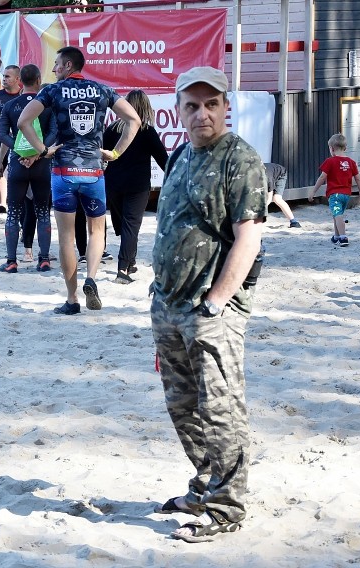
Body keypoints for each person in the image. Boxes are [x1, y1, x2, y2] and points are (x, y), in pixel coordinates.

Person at [150, 66, 267, 543]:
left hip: (211, 312)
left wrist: (218, 301)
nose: (202, 114)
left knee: (221, 410)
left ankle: (227, 507)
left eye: (211, 104)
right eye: (192, 105)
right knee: (183, 407)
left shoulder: (240, 160)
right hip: (169, 305)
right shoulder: (181, 154)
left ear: (226, 107)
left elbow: (249, 237)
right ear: (180, 110)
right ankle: (204, 484)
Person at [18, 46, 140, 313]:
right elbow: (134, 119)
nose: (53, 70)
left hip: (64, 173)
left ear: (69, 65)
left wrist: (42, 150)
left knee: (66, 239)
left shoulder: (52, 90)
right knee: (97, 232)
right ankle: (91, 278)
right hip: (94, 172)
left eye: (58, 64)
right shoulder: (102, 90)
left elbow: (24, 121)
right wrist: (115, 153)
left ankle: (72, 299)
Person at [103, 89, 168, 284]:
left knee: (123, 225)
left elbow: (102, 153)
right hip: (138, 186)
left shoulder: (112, 129)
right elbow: (163, 160)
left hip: (113, 184)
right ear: (146, 107)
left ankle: (129, 262)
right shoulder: (146, 131)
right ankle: (123, 269)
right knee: (130, 226)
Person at [0, 63, 56, 274]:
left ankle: (11, 261)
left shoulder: (11, 105)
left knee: (13, 212)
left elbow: (2, 133)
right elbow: (54, 132)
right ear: (39, 80)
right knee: (43, 212)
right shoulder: (47, 106)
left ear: (21, 81)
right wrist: (39, 152)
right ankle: (44, 259)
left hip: (18, 164)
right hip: (42, 164)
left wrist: (20, 150)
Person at [308, 133, 360, 246]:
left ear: (331, 148)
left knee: (338, 214)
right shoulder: (351, 162)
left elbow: (322, 177)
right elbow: (358, 179)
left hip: (334, 195)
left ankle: (343, 237)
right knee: (337, 214)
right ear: (345, 148)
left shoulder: (330, 161)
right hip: (346, 195)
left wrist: (313, 191)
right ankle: (336, 236)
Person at [0, 65, 21, 220]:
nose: (4, 79)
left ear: (17, 79)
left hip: (20, 143)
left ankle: (18, 215)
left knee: (19, 181)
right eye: (4, 76)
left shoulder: (24, 96)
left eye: (8, 76)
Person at [264, 163, 301, 228]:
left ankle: (294, 221)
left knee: (277, 199)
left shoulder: (268, 178)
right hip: (270, 172)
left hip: (281, 173)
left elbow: (269, 199)